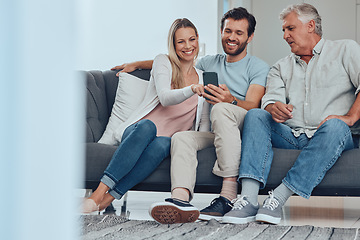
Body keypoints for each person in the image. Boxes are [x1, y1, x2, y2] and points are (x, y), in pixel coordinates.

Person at [115, 7, 269, 223]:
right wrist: (137, 64)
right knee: (181, 137)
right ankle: (180, 200)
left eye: (239, 33)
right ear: (221, 32)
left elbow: (253, 105)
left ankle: (227, 196)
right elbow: (178, 59)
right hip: (216, 132)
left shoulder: (258, 67)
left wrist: (230, 100)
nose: (231, 37)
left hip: (241, 127)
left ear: (249, 37)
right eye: (228, 31)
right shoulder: (209, 63)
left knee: (222, 108)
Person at [222, 3, 360, 225]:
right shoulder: (280, 67)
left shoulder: (346, 50)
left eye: (290, 29)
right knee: (256, 115)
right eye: (283, 30)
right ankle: (247, 199)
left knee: (336, 126)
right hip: (292, 135)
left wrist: (351, 117)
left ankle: (278, 197)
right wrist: (272, 107)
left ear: (310, 26)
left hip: (333, 136)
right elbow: (269, 99)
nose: (285, 35)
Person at [82, 18, 210, 215]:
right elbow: (166, 98)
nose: (187, 46)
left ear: (197, 40)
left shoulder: (203, 77)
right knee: (148, 126)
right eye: (180, 41)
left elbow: (202, 124)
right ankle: (98, 194)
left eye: (191, 40)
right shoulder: (163, 62)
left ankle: (108, 199)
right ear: (173, 45)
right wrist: (191, 89)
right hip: (139, 132)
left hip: (165, 141)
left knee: (164, 144)